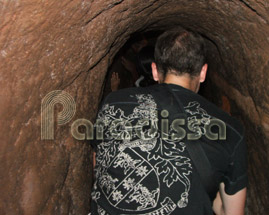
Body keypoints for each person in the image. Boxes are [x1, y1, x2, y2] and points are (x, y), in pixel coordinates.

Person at [90, 28, 248, 215]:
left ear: (155, 71)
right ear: (203, 72)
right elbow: (230, 212)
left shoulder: (113, 102)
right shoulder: (230, 130)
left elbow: (98, 162)